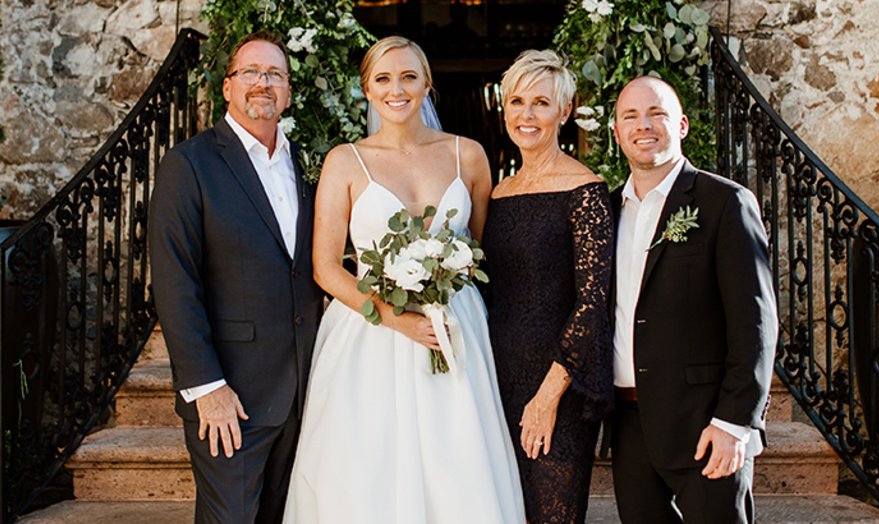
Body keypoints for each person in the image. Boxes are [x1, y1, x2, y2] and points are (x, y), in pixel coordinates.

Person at [282, 36, 524, 523]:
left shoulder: (469, 156)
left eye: (409, 76)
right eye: (384, 78)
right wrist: (397, 318)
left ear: (427, 85)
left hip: (454, 329)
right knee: (367, 471)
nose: (398, 89)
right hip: (369, 331)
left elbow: (478, 249)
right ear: (367, 90)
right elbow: (325, 266)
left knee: (458, 462)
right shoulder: (345, 161)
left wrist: (442, 286)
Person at [149, 31, 323, 523]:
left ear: (288, 91)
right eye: (250, 72)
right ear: (227, 87)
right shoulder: (190, 164)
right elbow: (174, 280)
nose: (262, 83)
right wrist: (207, 387)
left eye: (275, 75)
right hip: (232, 398)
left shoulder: (305, 165)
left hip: (302, 391)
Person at [608, 75, 778, 523]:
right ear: (616, 132)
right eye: (631, 116)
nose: (643, 125)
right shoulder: (607, 213)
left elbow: (755, 322)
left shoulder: (725, 202)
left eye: (656, 113)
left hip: (705, 424)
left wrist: (735, 423)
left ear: (681, 125)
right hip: (630, 426)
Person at [483, 49, 615, 523]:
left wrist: (548, 396)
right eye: (517, 102)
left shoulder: (586, 191)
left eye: (541, 102)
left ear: (564, 110)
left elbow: (592, 302)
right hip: (497, 375)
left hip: (558, 383)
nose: (527, 115)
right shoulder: (498, 193)